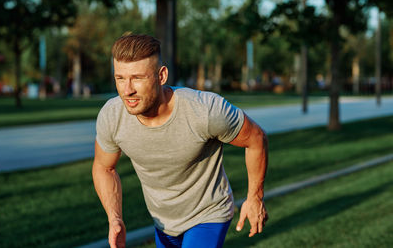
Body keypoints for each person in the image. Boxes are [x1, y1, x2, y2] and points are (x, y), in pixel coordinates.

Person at [93, 34, 268, 248]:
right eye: (120, 78)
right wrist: (115, 218)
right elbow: (104, 167)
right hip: (163, 221)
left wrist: (255, 197)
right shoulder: (112, 116)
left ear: (162, 75)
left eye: (137, 78)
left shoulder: (205, 110)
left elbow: (256, 139)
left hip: (208, 213)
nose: (127, 90)